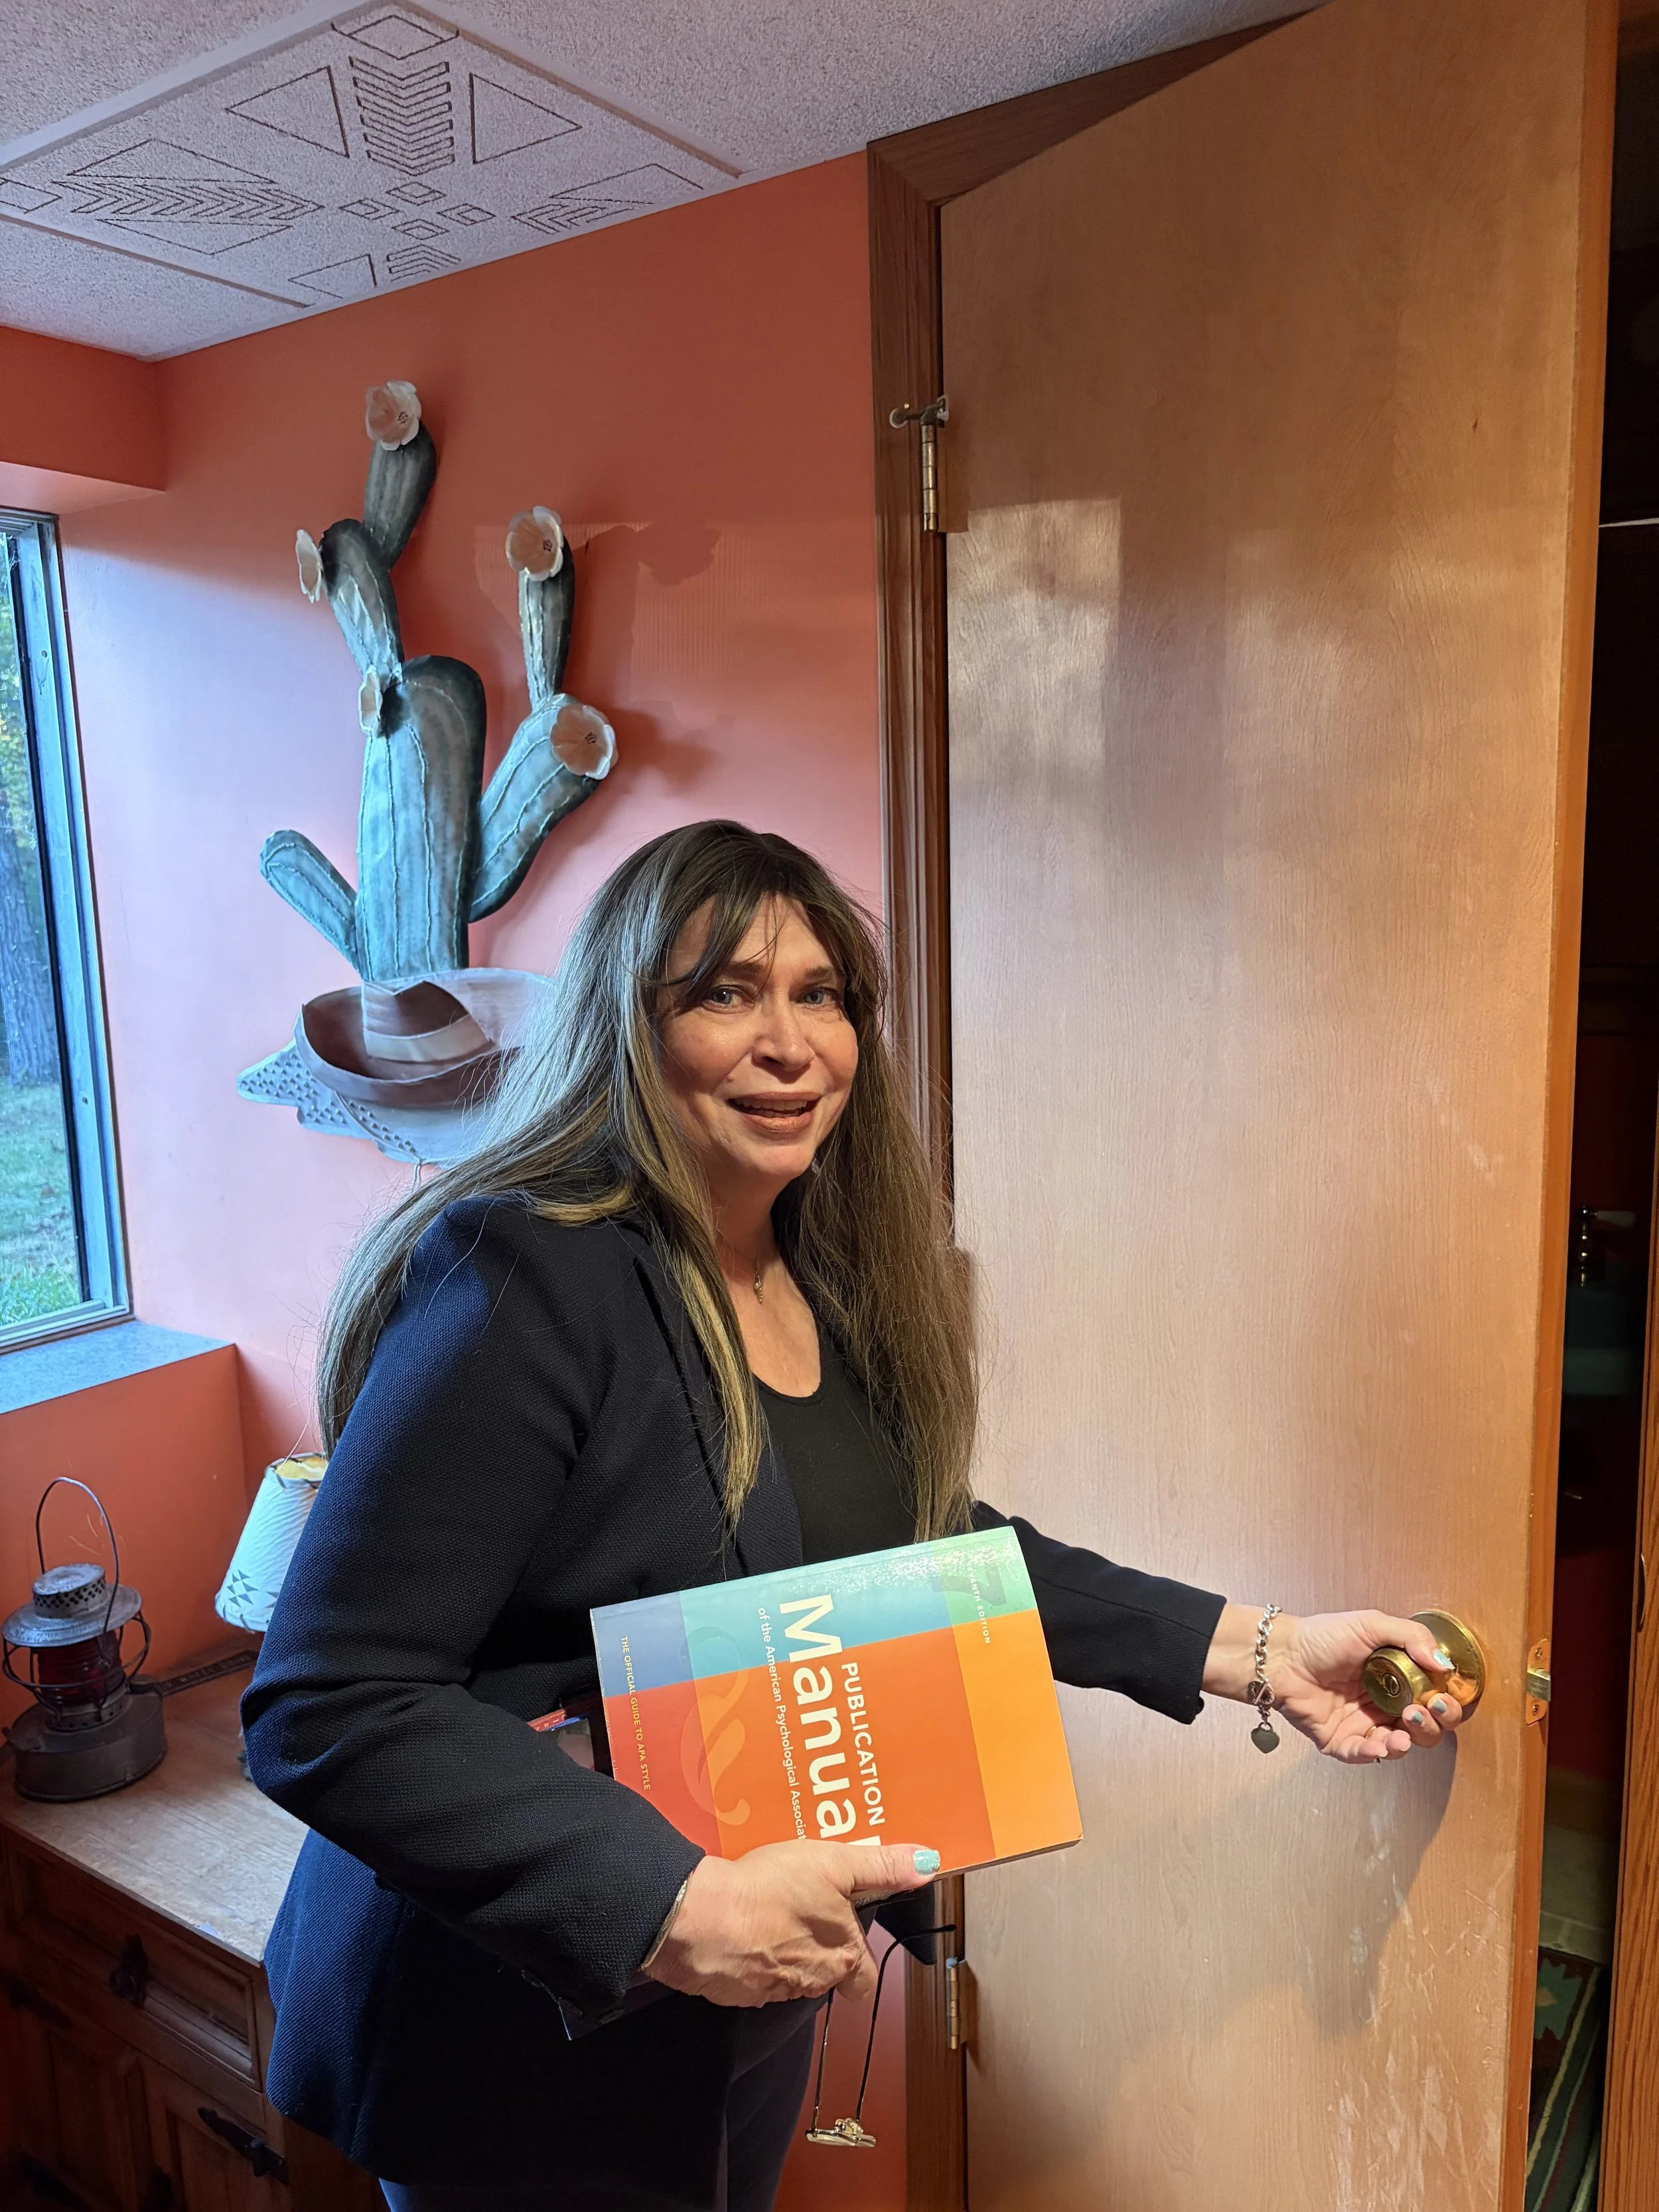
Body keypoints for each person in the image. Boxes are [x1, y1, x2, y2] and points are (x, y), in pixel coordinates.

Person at [242, 821, 1463, 2212]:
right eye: (722, 991)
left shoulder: (823, 1278)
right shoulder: (527, 1279)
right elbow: (330, 1700)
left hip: (743, 1988)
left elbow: (936, 1553)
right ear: (626, 1026)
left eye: (820, 993)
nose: (788, 1043)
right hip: (525, 2017)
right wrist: (669, 1904)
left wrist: (1260, 1649)